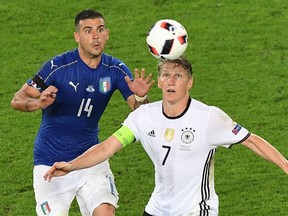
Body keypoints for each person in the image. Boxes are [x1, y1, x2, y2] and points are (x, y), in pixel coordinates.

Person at [44, 56, 288, 216]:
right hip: (158, 209)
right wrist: (71, 166)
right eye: (165, 76)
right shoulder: (144, 116)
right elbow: (107, 147)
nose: (171, 81)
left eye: (178, 76)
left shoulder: (209, 118)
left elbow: (253, 140)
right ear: (159, 82)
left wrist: (286, 165)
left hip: (196, 210)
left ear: (189, 82)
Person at [11, 9, 154, 216]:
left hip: (90, 160)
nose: (95, 36)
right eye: (88, 31)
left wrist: (141, 97)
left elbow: (143, 118)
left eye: (100, 29)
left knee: (105, 212)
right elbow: (18, 99)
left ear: (107, 34)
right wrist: (38, 103)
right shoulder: (57, 67)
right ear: (77, 36)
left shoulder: (116, 69)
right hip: (50, 163)